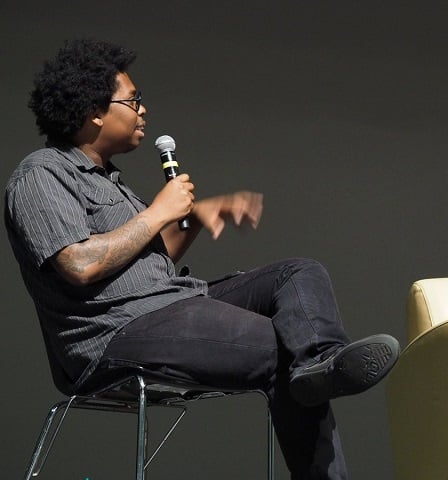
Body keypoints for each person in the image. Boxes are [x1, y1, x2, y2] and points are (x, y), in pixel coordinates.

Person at [5, 38, 400, 480]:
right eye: (133, 100)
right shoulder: (41, 173)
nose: (143, 111)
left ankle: (320, 365)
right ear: (96, 111)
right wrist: (159, 212)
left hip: (166, 303)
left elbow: (151, 263)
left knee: (298, 273)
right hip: (113, 332)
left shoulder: (113, 184)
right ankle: (309, 380)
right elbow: (79, 266)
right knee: (282, 347)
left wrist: (190, 220)